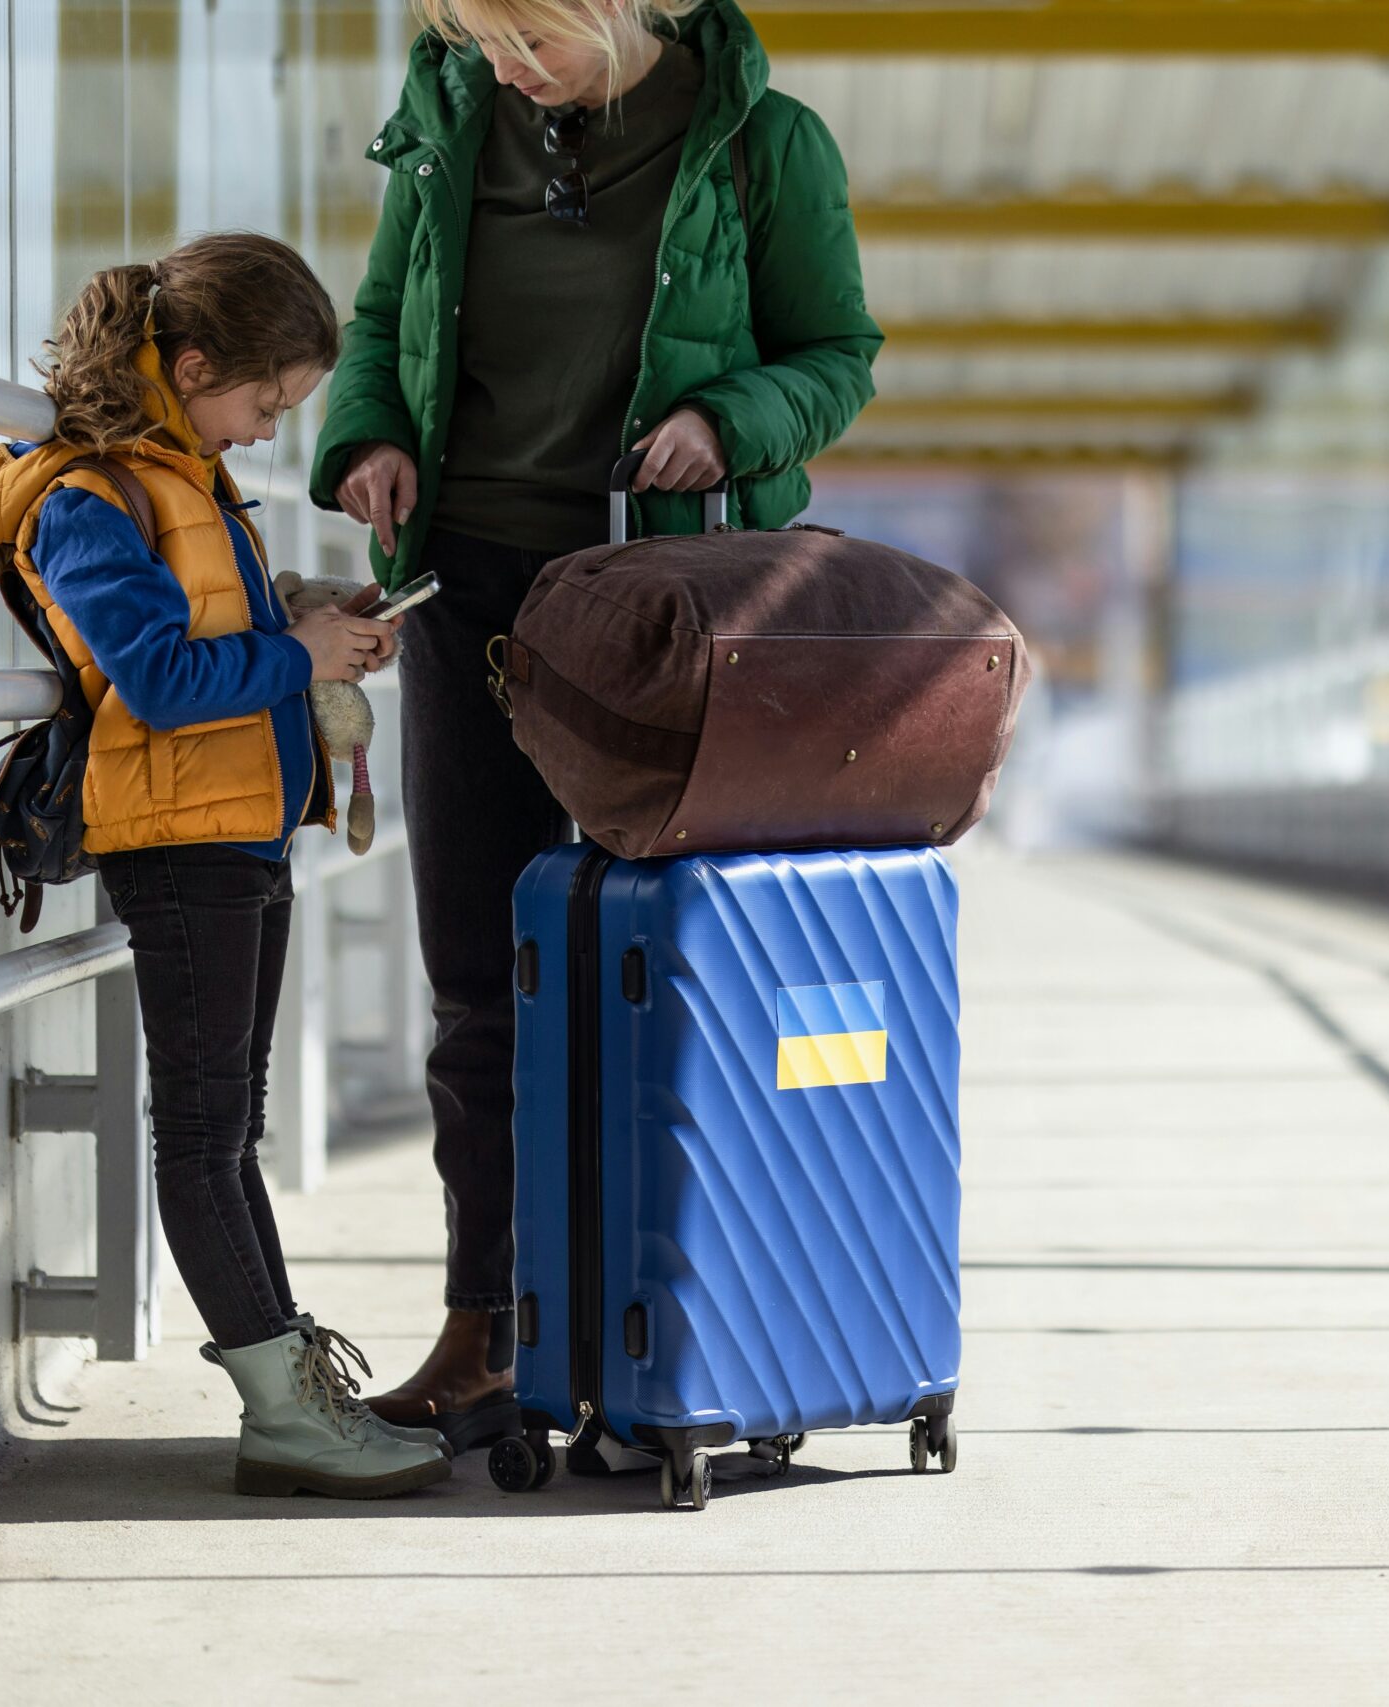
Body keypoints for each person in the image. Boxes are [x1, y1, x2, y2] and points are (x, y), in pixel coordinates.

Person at [310, 0, 881, 1450]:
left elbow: (837, 355)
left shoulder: (765, 149)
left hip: (662, 605)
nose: (501, 68)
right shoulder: (445, 136)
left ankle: (688, 1331)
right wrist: (367, 435)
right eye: (474, 34)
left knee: (682, 971)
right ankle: (488, 1328)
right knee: (478, 979)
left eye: (528, 39)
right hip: (469, 594)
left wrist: (733, 422)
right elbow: (381, 324)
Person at [0, 233, 447, 1498]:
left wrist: (314, 623)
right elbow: (163, 681)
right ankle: (283, 1413)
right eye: (264, 403)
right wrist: (305, 657)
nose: (267, 434)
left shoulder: (180, 480)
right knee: (205, 1131)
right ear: (189, 366)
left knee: (231, 1130)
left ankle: (295, 1393)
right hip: (179, 847)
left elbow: (217, 637)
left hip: (236, 834)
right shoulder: (85, 501)